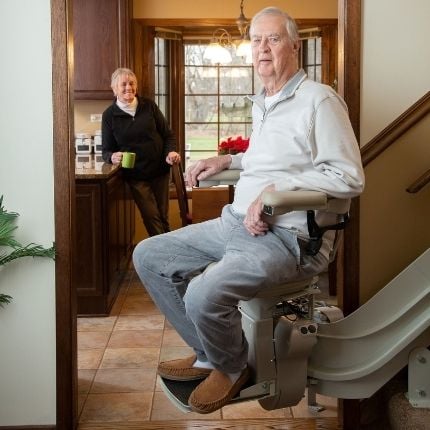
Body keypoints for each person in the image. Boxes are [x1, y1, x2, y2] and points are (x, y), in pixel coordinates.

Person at [133, 7, 365, 414]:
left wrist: (275, 194)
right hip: (235, 223)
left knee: (204, 293)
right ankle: (209, 354)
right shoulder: (266, 102)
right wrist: (226, 162)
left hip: (289, 239)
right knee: (149, 255)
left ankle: (231, 365)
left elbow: (349, 178)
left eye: (272, 39)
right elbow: (269, 161)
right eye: (256, 40)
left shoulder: (319, 101)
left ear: (294, 44)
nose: (262, 49)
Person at [102, 67, 180, 236]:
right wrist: (112, 157)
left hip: (160, 170)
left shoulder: (149, 106)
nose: (128, 88)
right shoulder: (109, 115)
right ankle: (165, 253)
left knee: (162, 216)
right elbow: (106, 151)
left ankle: (167, 254)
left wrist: (170, 152)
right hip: (136, 175)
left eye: (132, 83)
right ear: (114, 88)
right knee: (151, 216)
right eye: (123, 84)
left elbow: (168, 135)